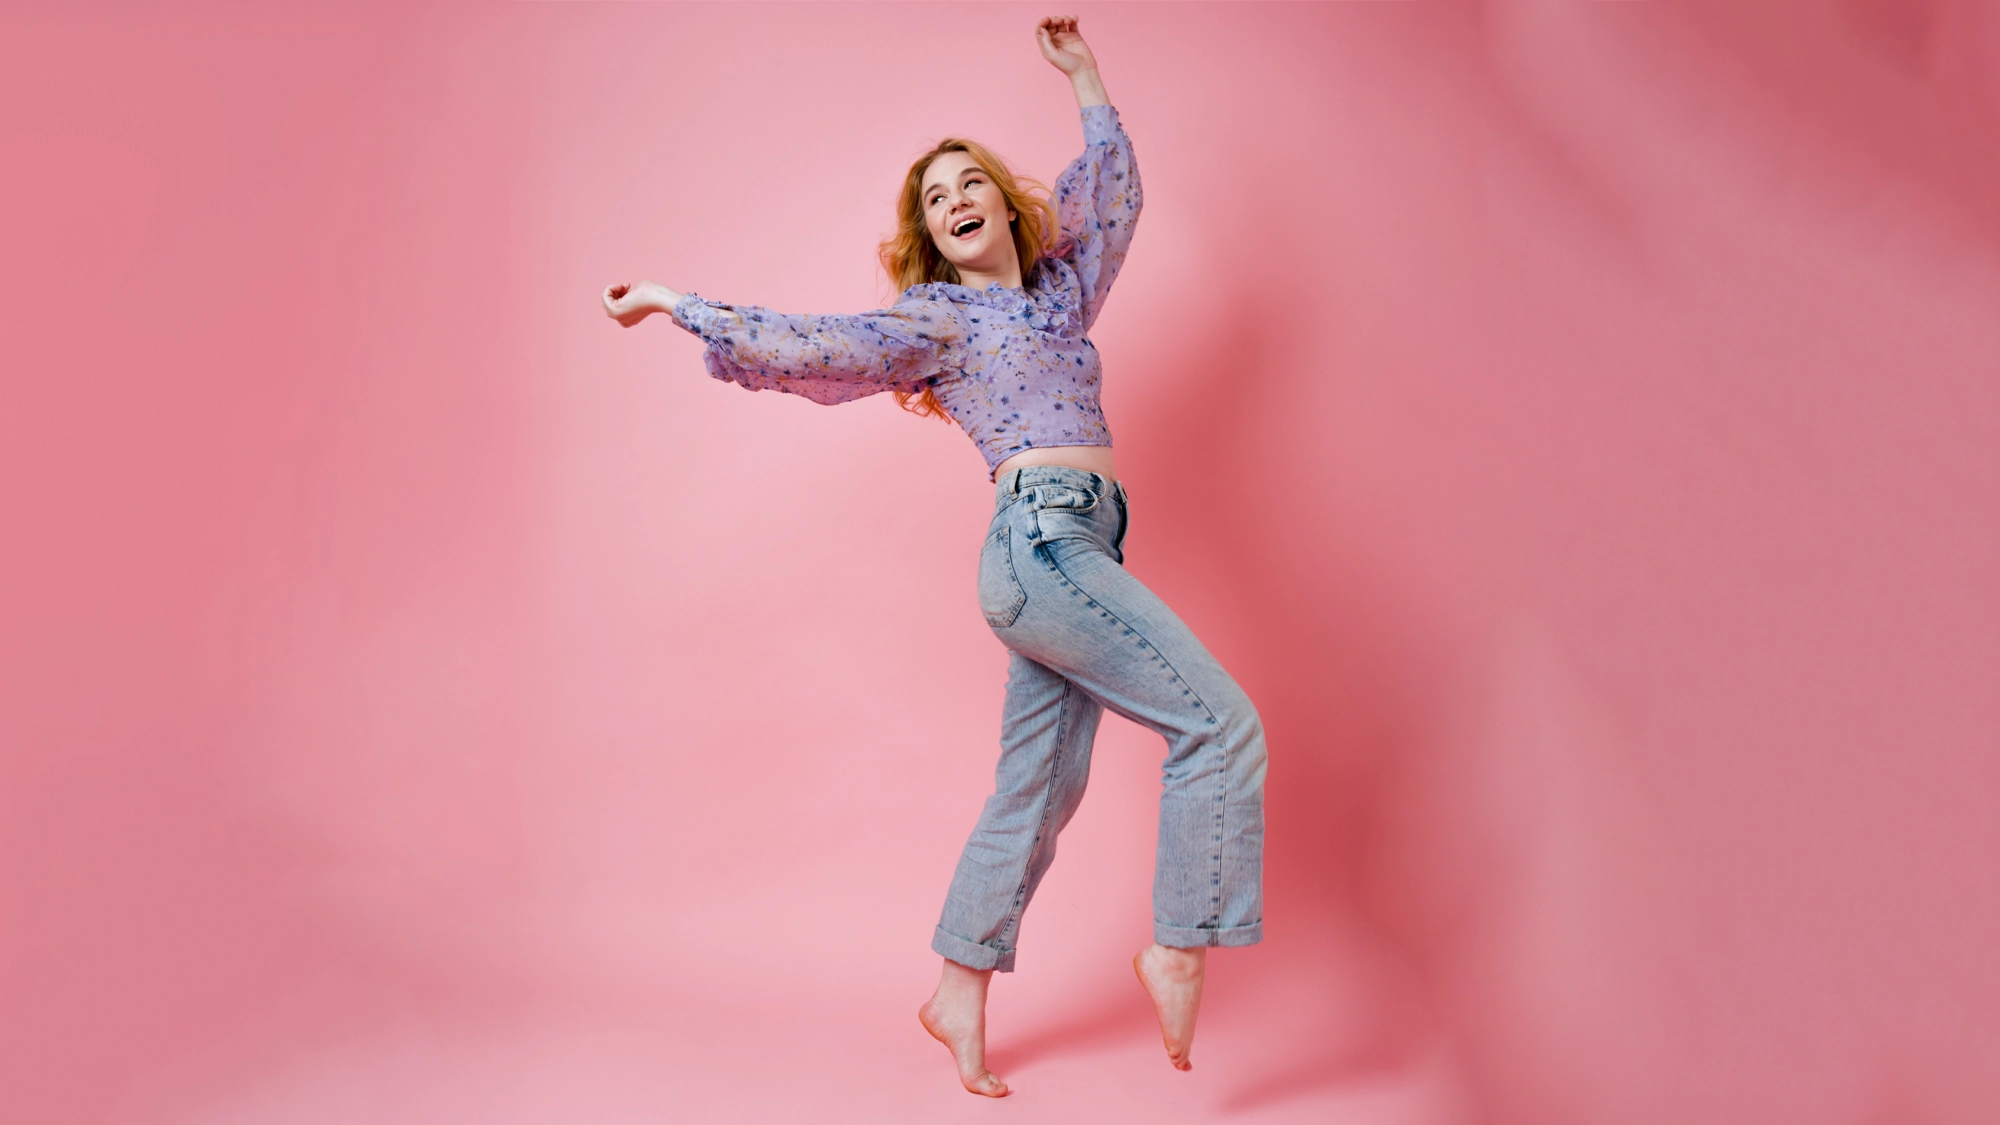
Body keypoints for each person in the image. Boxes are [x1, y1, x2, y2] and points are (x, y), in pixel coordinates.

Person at [601, 15, 1267, 1098]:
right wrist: (680, 305)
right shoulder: (938, 321)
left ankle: (956, 986)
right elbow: (811, 342)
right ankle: (1179, 939)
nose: (951, 202)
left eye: (967, 185)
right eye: (931, 200)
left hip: (1076, 541)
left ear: (1006, 203)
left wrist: (1084, 76)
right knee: (1218, 722)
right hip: (1041, 546)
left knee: (1034, 792)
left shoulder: (1059, 297)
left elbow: (1115, 199)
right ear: (929, 235)